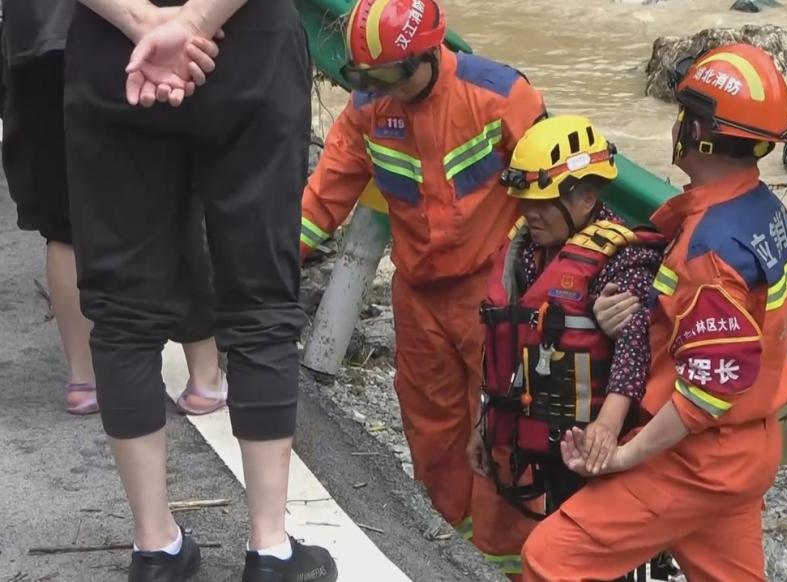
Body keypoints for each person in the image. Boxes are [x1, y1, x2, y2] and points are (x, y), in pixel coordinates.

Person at [63, 0, 335, 580]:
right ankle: (269, 548)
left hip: (115, 51)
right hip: (247, 41)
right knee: (261, 294)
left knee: (121, 307)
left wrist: (142, 25)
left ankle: (155, 548)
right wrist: (192, 24)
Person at [521, 43, 787, 582]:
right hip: (747, 448)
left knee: (550, 559)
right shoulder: (764, 213)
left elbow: (706, 391)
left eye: (685, 116)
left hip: (696, 458)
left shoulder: (711, 250)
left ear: (700, 132)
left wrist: (625, 456)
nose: (677, 126)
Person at [300, 0, 546, 548]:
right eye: (372, 77)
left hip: (494, 288)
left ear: (429, 53)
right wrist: (267, 267)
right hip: (419, 293)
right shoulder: (369, 108)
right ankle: (447, 541)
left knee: (506, 424)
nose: (384, 88)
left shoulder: (502, 96)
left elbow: (556, 192)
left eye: (391, 76)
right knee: (431, 425)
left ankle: (505, 551)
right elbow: (323, 197)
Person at [0, 0, 226, 418]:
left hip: (34, 38)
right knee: (169, 195)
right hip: (121, 34)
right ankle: (205, 374)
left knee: (62, 220)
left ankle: (84, 380)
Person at [466, 114, 665, 579]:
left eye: (541, 203)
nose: (528, 214)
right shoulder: (528, 252)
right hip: (543, 443)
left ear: (586, 198)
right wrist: (484, 423)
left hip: (593, 450)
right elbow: (505, 344)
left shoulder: (623, 263)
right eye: (525, 203)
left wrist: (607, 427)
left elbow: (637, 345)